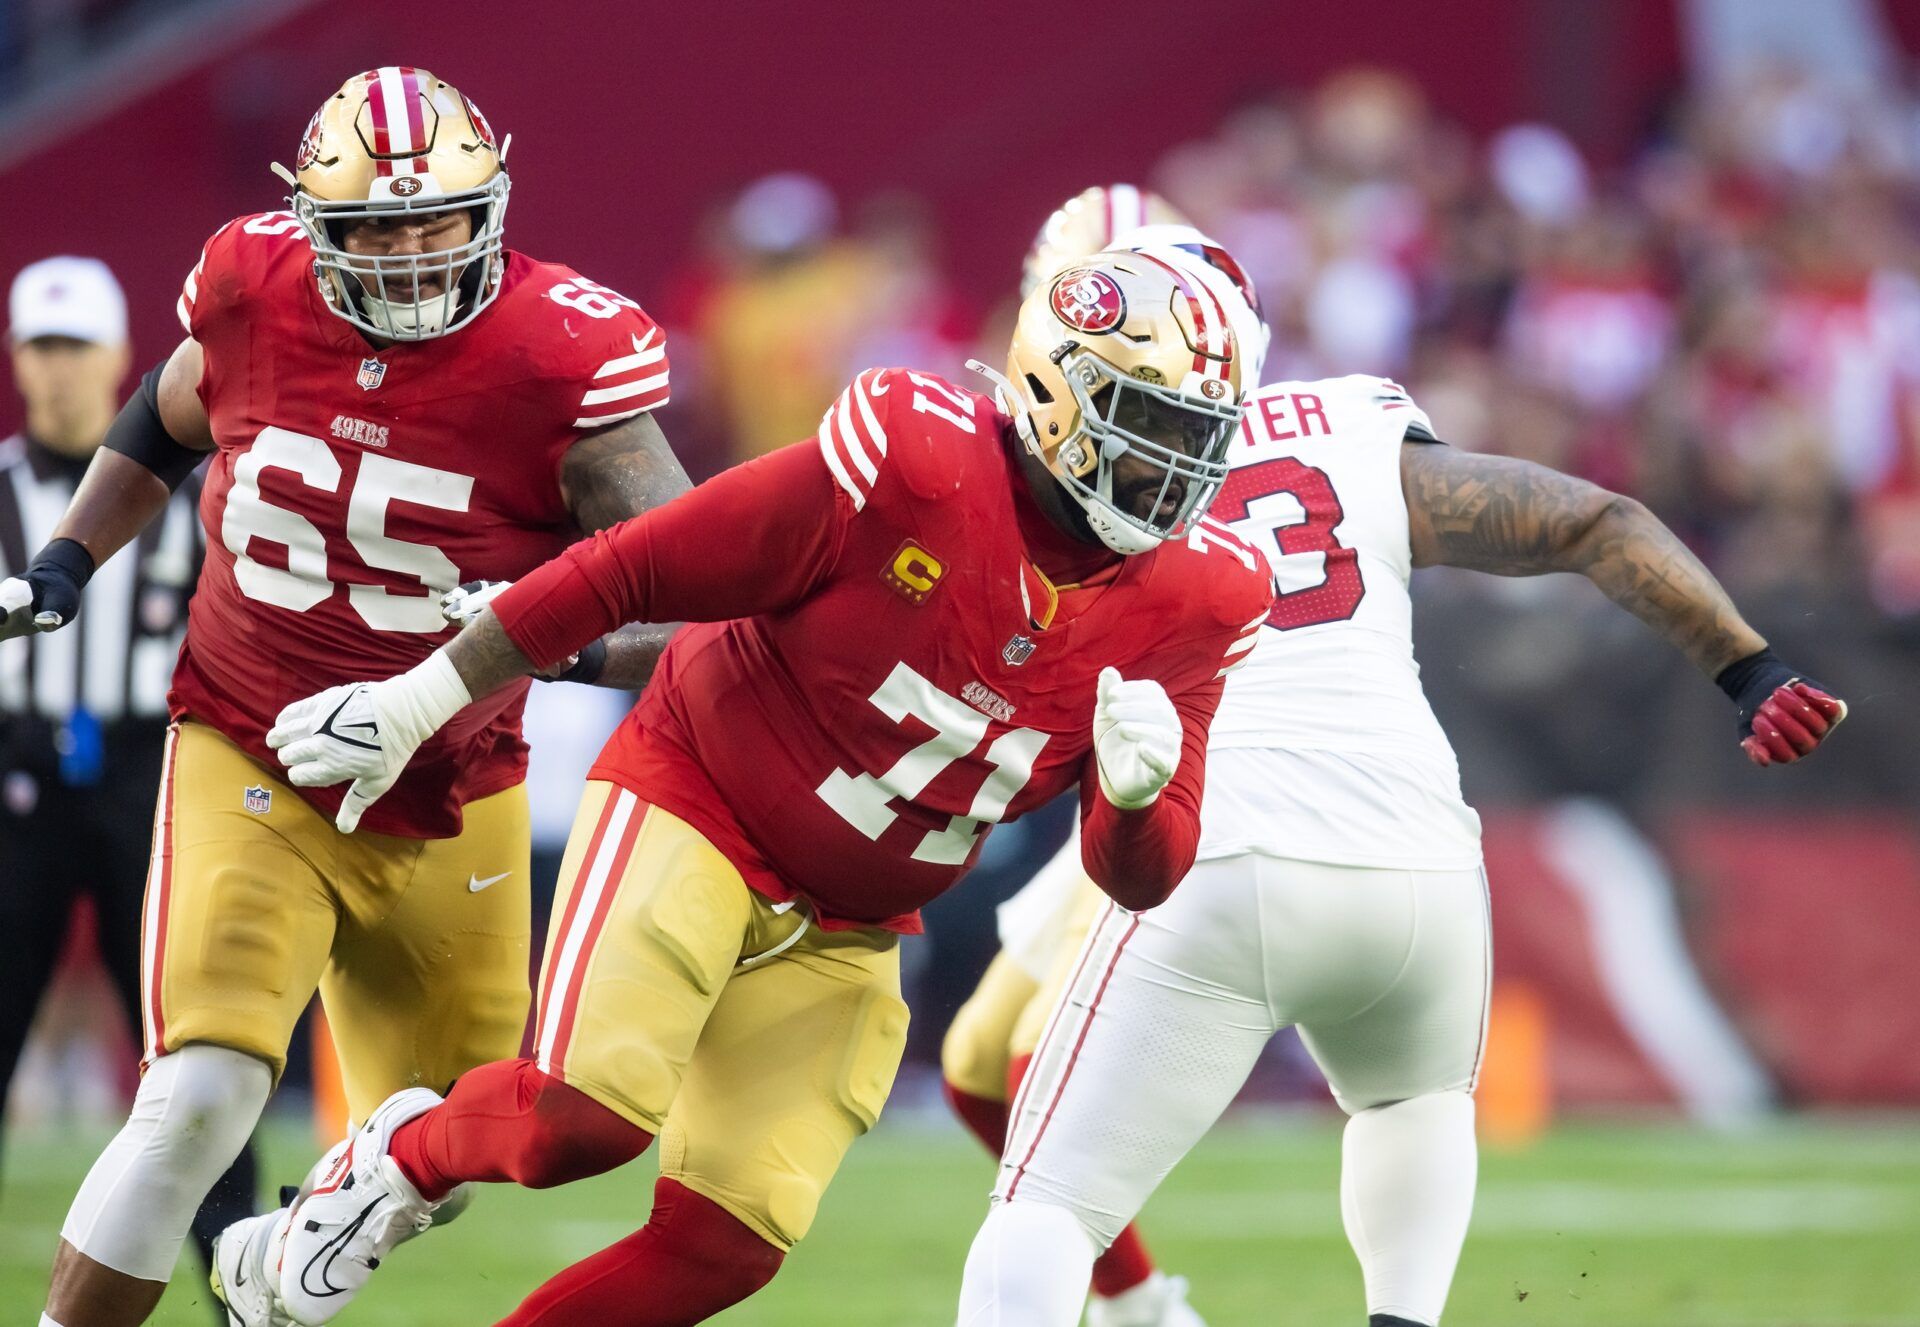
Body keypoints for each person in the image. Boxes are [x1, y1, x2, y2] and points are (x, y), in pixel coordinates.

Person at [256, 246, 1275, 1327]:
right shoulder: (914, 461)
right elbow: (634, 566)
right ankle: (395, 1161)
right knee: (577, 1121)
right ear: (1052, 389)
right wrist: (420, 700)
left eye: (1194, 436)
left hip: (856, 918)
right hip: (702, 796)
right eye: (1147, 424)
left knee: (726, 1247)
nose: (1172, 466)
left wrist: (1132, 791)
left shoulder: (1200, 599)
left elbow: (1142, 878)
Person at [953, 243, 1848, 1327]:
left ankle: (1140, 1306)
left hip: (1224, 854)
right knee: (1412, 1100)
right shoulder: (1346, 424)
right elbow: (1594, 521)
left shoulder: (1076, 459)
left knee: (1045, 1208)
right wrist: (1749, 670)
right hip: (1420, 870)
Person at [2, 67, 691, 1327]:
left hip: (452, 784)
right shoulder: (252, 289)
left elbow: (692, 587)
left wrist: (538, 650)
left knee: (445, 1140)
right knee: (199, 1096)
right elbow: (164, 421)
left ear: (493, 206)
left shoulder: (563, 355)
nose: (415, 258)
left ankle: (279, 1254)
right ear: (315, 229)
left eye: (439, 223)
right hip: (251, 746)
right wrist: (63, 562)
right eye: (377, 231)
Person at [940, 186, 1248, 1327]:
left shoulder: (1185, 431)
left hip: (1187, 760)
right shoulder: (1019, 427)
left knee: (1033, 1070)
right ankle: (1144, 1305)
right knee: (975, 1066)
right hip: (1104, 763)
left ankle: (1139, 1312)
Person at [0, 256, 257, 1325]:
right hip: (14, 778)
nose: (60, 370)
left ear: (120, 360)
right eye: (41, 348)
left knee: (190, 1047)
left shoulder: (187, 491)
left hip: (155, 773)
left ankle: (243, 1279)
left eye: (78, 347)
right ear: (17, 361)